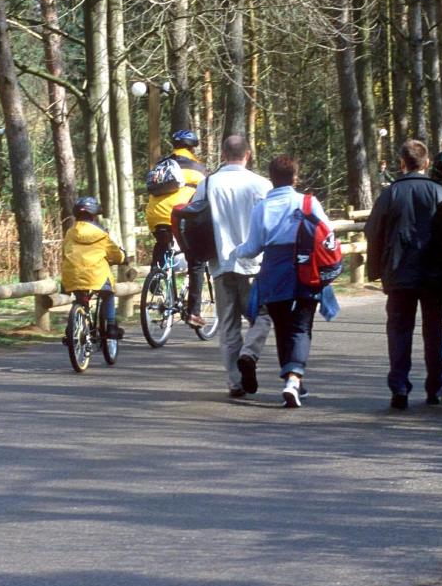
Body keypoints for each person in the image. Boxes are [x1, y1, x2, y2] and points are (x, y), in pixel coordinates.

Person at [232, 155, 339, 409]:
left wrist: (236, 252)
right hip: (305, 271)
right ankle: (293, 380)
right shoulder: (308, 203)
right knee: (301, 327)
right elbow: (327, 232)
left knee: (281, 327)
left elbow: (254, 246)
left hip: (274, 274)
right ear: (295, 177)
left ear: (272, 179)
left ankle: (293, 381)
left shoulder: (262, 208)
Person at [366, 139, 442, 410]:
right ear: (427, 163)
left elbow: (373, 232)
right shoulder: (439, 193)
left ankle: (399, 386)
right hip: (433, 275)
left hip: (399, 273)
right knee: (434, 330)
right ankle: (436, 386)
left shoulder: (390, 194)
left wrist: (376, 270)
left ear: (401, 163)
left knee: (399, 330)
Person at [189, 134, 273, 398]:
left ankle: (235, 382)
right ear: (247, 154)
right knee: (262, 315)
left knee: (228, 324)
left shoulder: (208, 183)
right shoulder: (261, 184)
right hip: (255, 264)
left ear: (223, 154)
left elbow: (193, 216)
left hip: (221, 262)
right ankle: (250, 353)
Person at [145, 129, 208, 326]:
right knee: (196, 261)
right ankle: (193, 313)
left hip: (154, 215)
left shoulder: (161, 164)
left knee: (163, 242)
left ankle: (157, 274)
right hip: (178, 215)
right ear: (192, 147)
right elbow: (206, 197)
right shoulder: (198, 169)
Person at [60, 196, 127, 338]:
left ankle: (73, 325)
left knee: (79, 298)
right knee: (108, 294)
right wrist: (122, 258)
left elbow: (64, 252)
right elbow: (115, 254)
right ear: (94, 215)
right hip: (97, 276)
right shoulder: (101, 235)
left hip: (72, 275)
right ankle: (110, 326)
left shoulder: (70, 233)